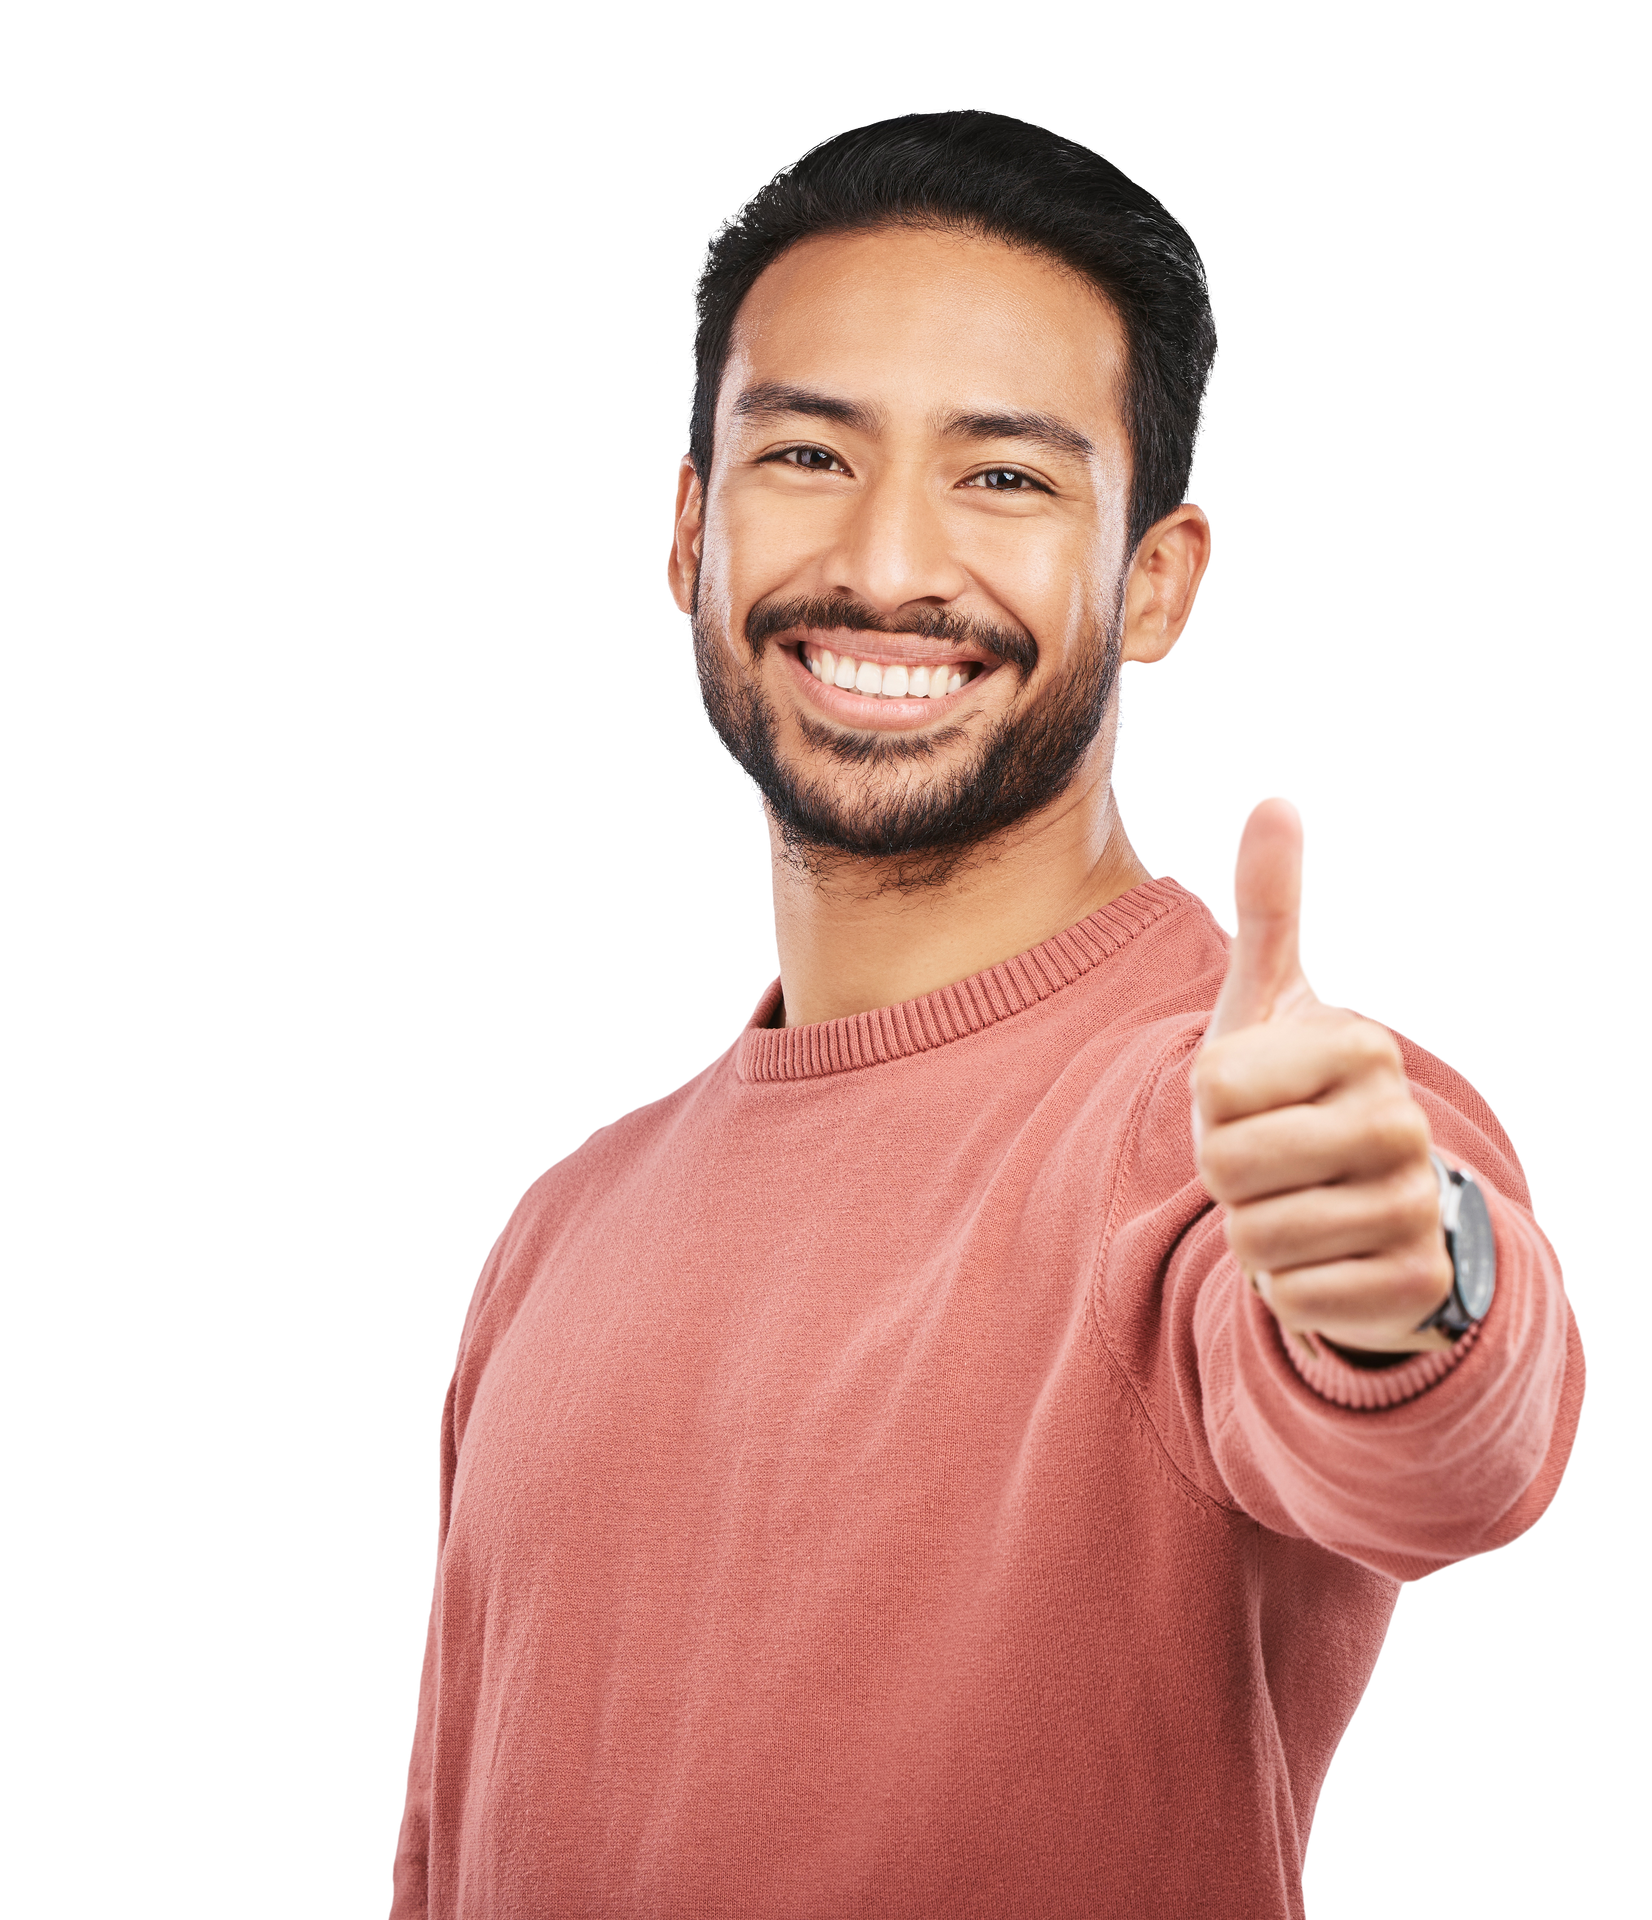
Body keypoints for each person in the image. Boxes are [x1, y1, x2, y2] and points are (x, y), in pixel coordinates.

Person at [389, 107, 1587, 1919]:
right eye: (807, 453)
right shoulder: (557, 1228)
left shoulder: (1218, 1113)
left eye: (1006, 478)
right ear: (687, 526)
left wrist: (1412, 1278)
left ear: (1159, 578)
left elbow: (1441, 1453)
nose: (889, 562)